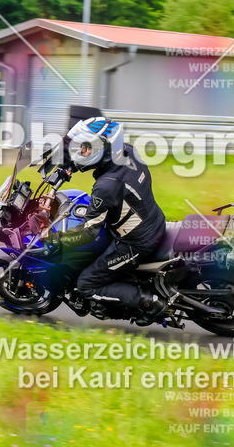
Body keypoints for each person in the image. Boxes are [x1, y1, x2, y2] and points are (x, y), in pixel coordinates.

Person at [46, 117, 169, 322]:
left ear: (106, 149)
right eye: (82, 147)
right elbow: (96, 160)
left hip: (136, 243)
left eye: (87, 148)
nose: (82, 152)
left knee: (87, 284)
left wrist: (56, 239)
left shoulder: (106, 186)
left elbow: (88, 232)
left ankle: (149, 302)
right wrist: (69, 166)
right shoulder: (128, 152)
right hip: (151, 220)